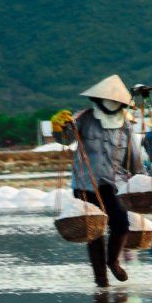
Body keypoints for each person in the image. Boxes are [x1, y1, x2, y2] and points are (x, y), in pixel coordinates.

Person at [51, 75, 141, 288]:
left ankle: (113, 261)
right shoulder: (83, 119)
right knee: (94, 231)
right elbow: (65, 139)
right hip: (85, 184)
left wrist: (140, 179)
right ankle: (100, 278)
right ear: (99, 100)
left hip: (115, 183)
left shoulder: (125, 126)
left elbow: (134, 159)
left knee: (120, 224)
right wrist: (58, 127)